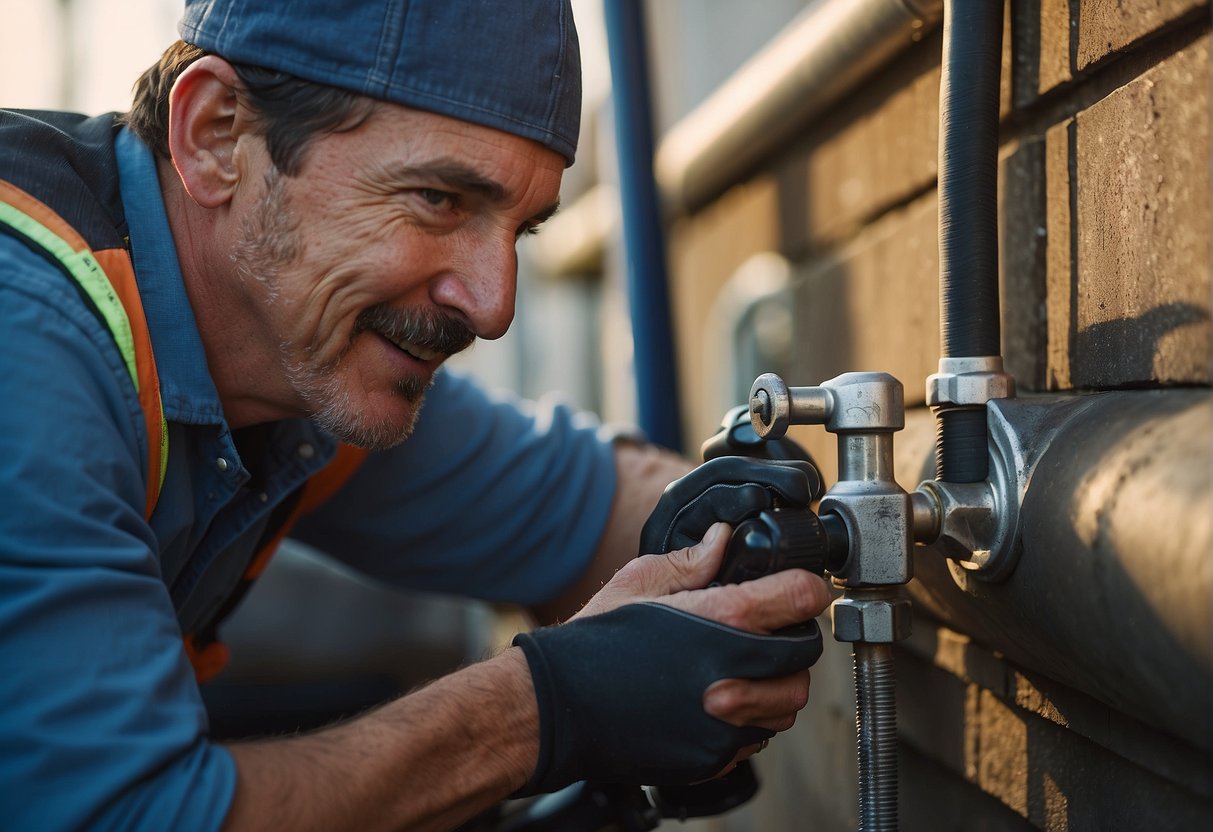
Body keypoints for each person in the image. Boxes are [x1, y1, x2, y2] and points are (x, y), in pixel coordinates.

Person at [0, 1, 830, 829]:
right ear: (217, 134)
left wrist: (738, 535)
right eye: (439, 199)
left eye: (521, 230)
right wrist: (544, 710)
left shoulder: (295, 359)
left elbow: (580, 511)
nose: (492, 304)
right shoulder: (28, 339)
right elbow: (123, 814)